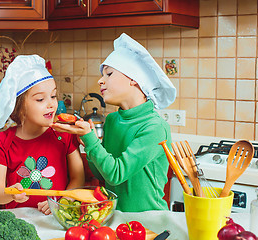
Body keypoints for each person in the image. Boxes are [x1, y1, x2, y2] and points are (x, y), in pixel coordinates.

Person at [51, 33, 176, 212]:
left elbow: (116, 174)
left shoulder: (155, 127)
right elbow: (100, 174)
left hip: (148, 220)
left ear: (134, 79)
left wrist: (91, 141)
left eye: (109, 73)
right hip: (112, 216)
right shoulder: (112, 120)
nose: (100, 80)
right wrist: (89, 143)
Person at [0, 54, 85, 215]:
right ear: (19, 106)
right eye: (40, 99)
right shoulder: (2, 142)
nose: (51, 104)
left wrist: (63, 200)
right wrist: (10, 193)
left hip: (56, 218)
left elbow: (78, 177)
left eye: (53, 96)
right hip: (19, 220)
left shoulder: (64, 134)